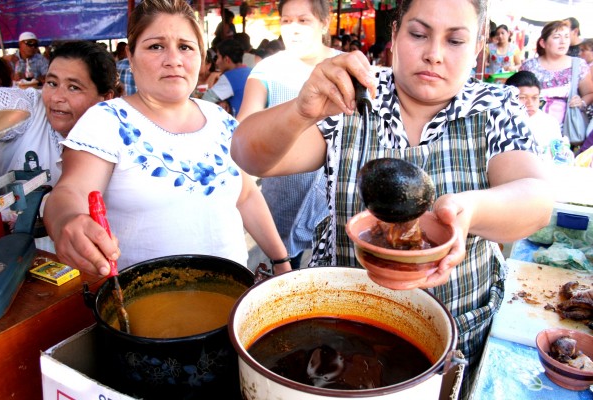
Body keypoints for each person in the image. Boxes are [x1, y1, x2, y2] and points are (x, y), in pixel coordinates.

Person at [231, 0, 554, 397]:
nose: (434, 54)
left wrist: (467, 211)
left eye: (455, 40)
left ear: (478, 46)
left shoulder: (496, 108)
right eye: (418, 34)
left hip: (454, 332)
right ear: (395, 33)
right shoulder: (351, 99)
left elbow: (536, 199)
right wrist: (301, 110)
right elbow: (249, 155)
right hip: (342, 327)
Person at [43, 0, 291, 277]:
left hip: (232, 296)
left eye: (185, 47)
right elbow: (70, 191)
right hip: (144, 303)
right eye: (156, 46)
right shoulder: (106, 121)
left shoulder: (222, 120)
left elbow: (245, 196)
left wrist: (281, 261)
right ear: (132, 59)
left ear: (201, 58)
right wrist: (67, 220)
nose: (173, 59)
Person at [237, 0, 340, 270]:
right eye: (286, 20)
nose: (293, 29)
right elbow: (242, 129)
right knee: (286, 274)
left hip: (334, 202)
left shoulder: (343, 68)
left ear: (323, 22)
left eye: (303, 20)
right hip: (282, 202)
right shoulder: (266, 71)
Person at [0, 40, 117, 186]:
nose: (56, 97)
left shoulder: (121, 138)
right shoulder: (29, 107)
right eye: (52, 83)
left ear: (106, 98)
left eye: (73, 87)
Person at [520, 20, 593, 137]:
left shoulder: (578, 65)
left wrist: (582, 102)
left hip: (566, 130)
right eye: (557, 37)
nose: (563, 41)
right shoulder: (529, 66)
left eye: (566, 37)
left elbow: (589, 93)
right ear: (543, 43)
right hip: (533, 127)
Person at [505, 71, 562, 156]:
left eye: (535, 98)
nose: (530, 103)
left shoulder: (550, 123)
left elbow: (558, 156)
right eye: (523, 98)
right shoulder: (502, 121)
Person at [202, 39, 251, 117]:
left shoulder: (230, 77)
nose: (216, 62)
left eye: (218, 57)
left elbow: (206, 100)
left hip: (239, 124)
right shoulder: (251, 71)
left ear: (226, 59)